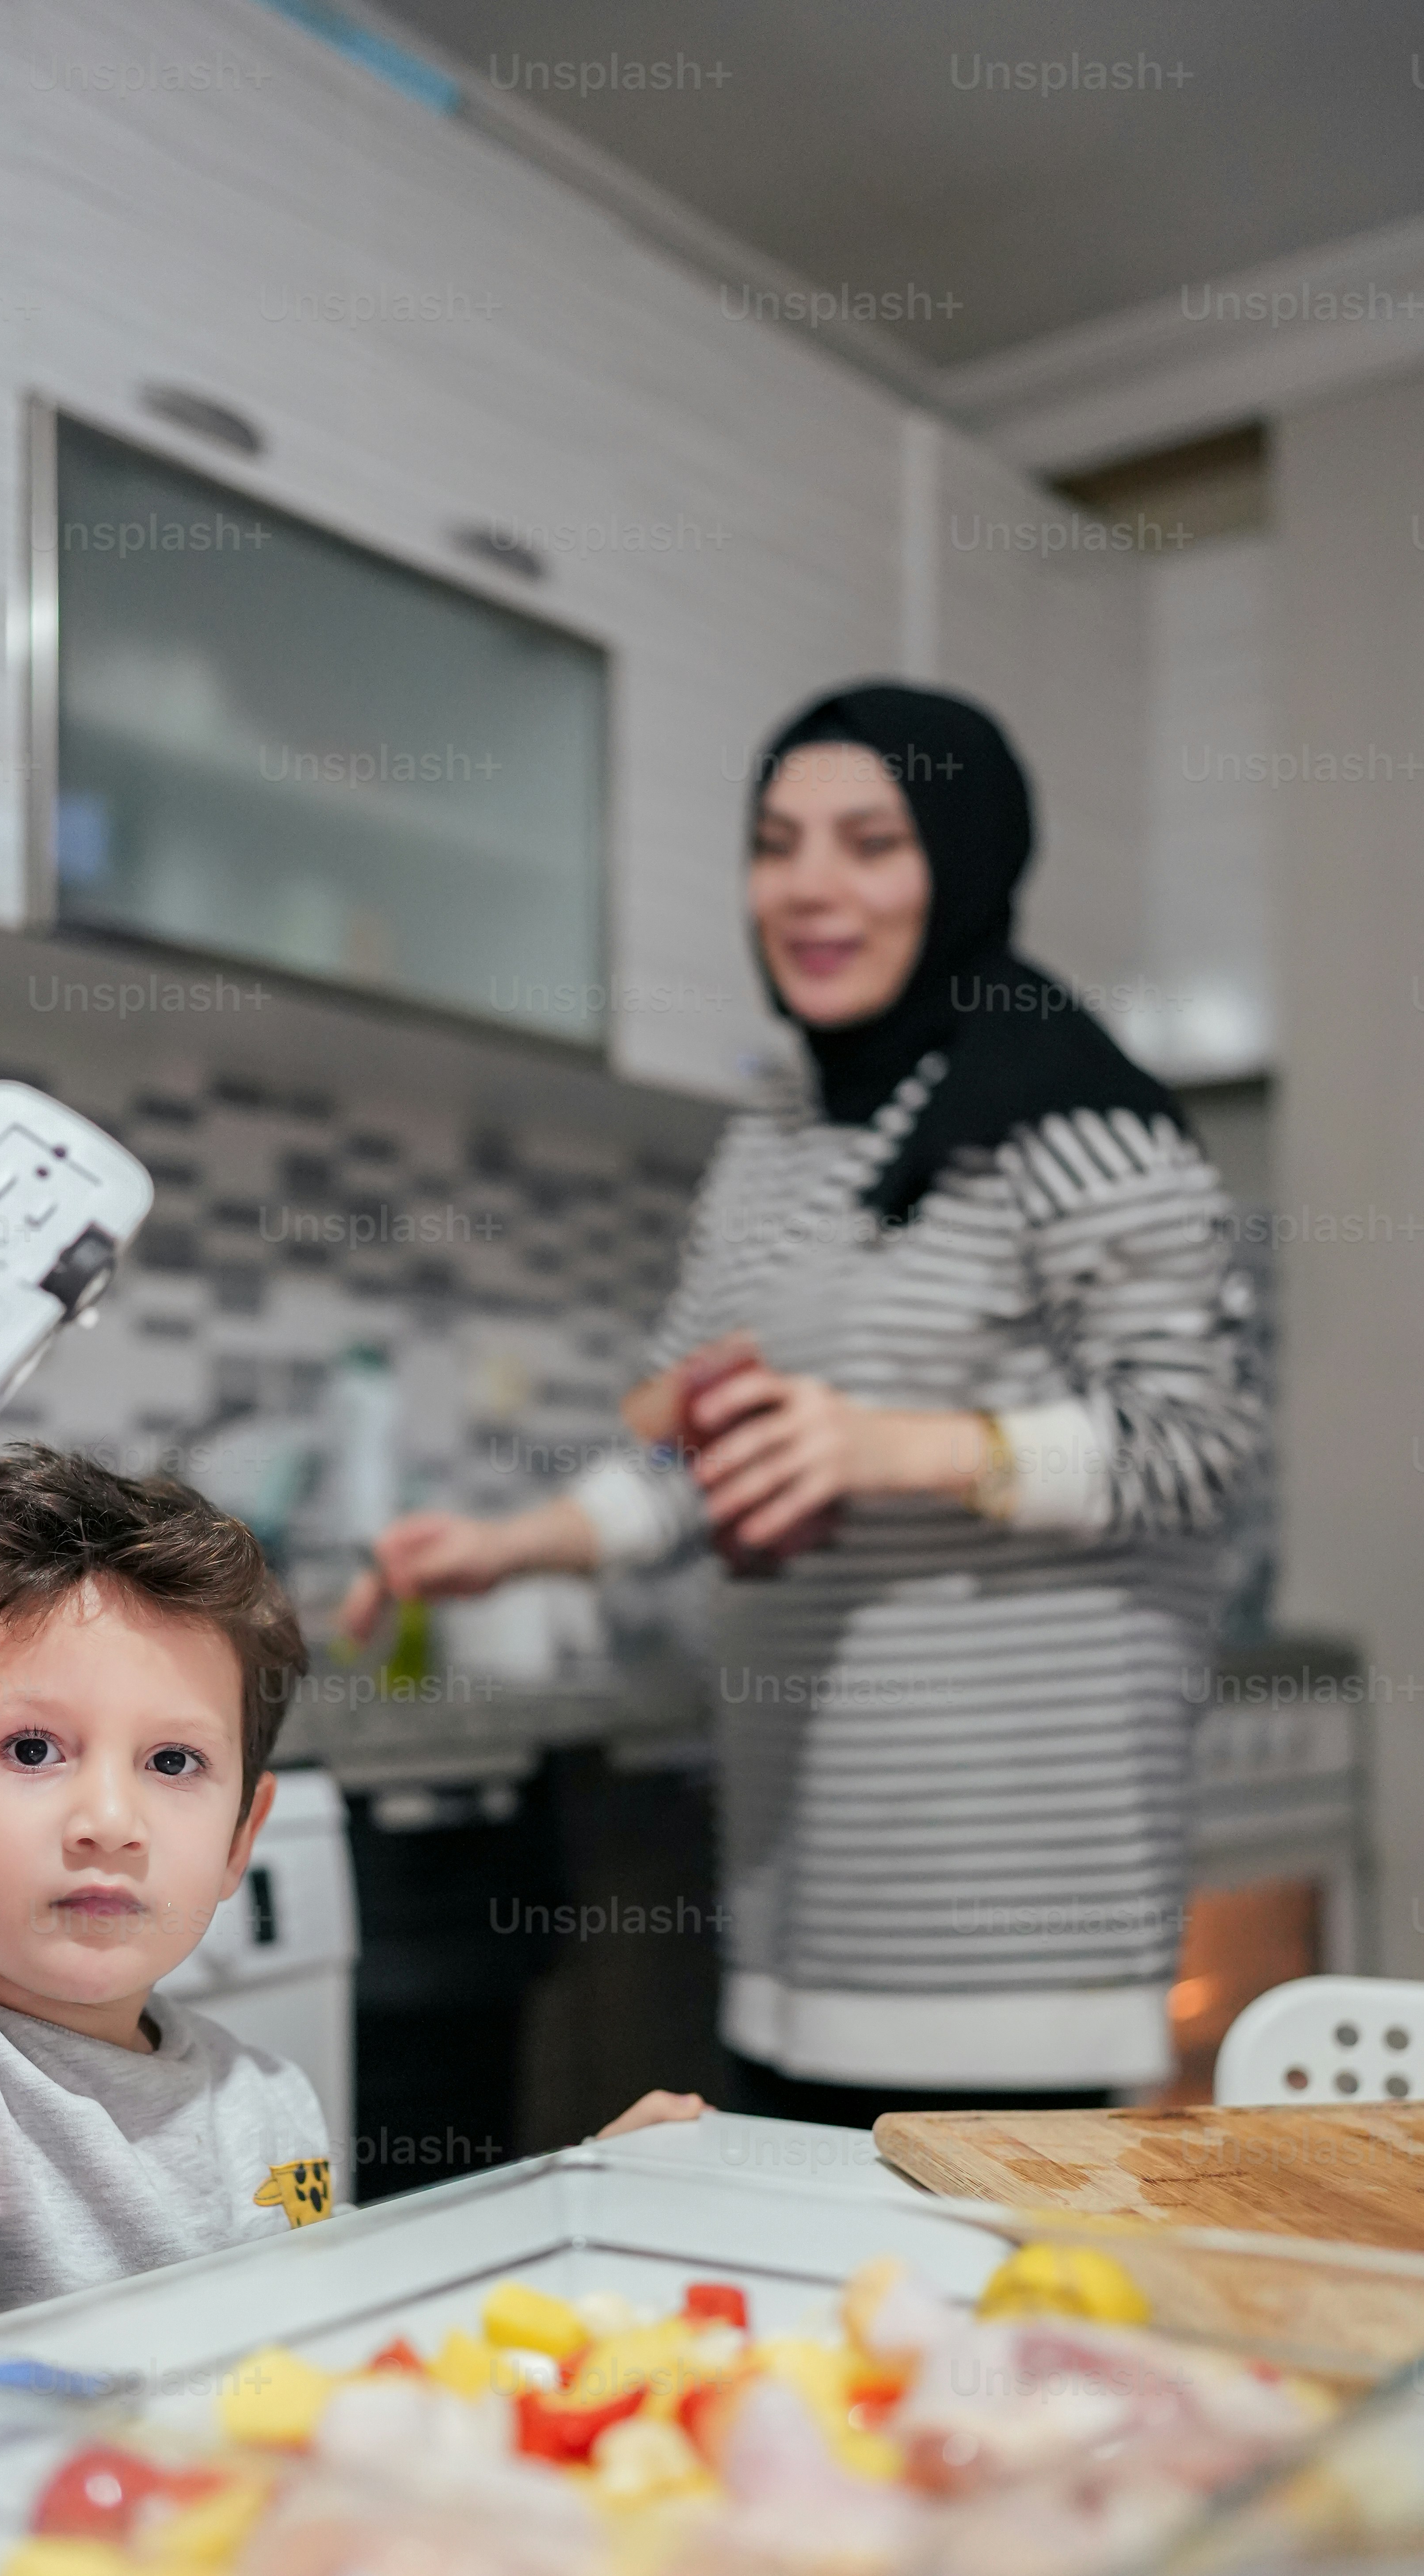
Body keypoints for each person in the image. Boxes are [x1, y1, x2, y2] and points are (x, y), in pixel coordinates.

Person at [342, 683, 1264, 2127]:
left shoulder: (1076, 1117)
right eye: (774, 843)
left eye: (868, 843)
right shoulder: (777, 1136)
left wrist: (894, 1445)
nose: (808, 887)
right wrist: (507, 1545)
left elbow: (1198, 1444)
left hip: (1003, 1887)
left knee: (969, 2336)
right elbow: (701, 1440)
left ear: (960, 865)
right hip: (801, 1883)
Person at [0, 1442, 700, 2333]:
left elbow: (332, 2318)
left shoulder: (265, 2102)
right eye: (33, 1748)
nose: (111, 1820)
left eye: (173, 1764)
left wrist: (567, 2204)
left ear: (236, 1843)